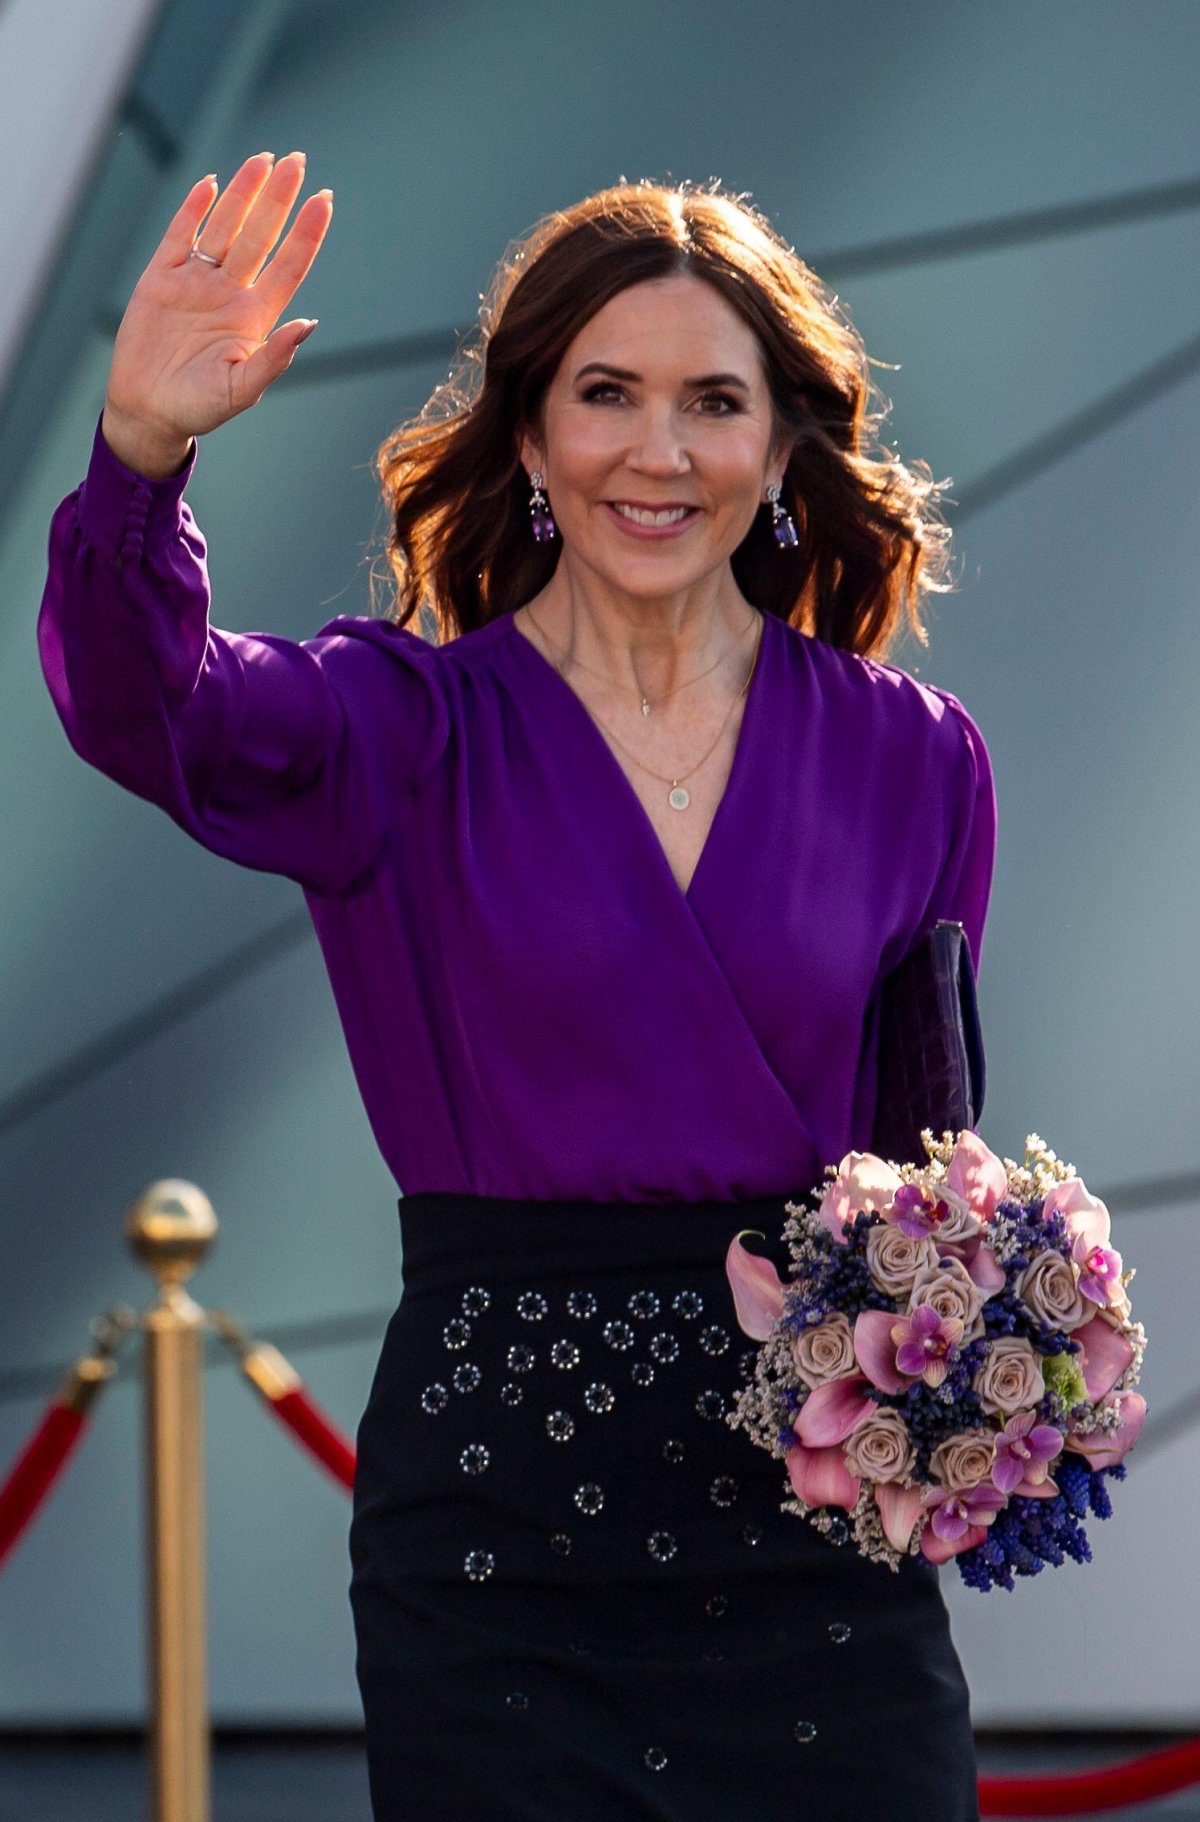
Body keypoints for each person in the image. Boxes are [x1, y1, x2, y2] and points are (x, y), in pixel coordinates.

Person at [38, 151, 995, 1820]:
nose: (659, 448)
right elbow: (148, 706)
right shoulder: (395, 729)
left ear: (779, 444)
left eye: (713, 400)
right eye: (605, 393)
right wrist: (137, 456)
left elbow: (930, 1164)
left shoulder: (916, 761)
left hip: (819, 1543)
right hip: (500, 1538)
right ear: (534, 435)